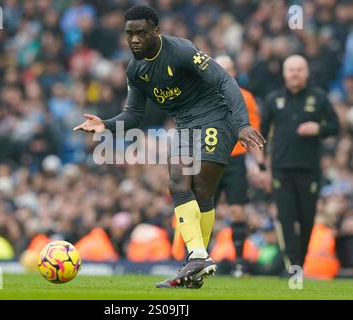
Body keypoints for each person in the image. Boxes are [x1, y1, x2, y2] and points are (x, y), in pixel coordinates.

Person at [73, 5, 265, 289]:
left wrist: (242, 124)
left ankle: (196, 260)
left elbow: (225, 80)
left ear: (156, 31)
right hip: (186, 124)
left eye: (140, 33)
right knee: (177, 181)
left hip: (217, 117)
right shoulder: (135, 69)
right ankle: (197, 259)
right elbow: (134, 114)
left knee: (201, 185)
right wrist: (106, 124)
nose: (134, 39)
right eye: (129, 34)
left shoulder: (182, 51)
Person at [261, 55, 340, 275]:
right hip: (281, 169)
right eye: (291, 70)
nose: (295, 73)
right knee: (286, 218)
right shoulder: (273, 99)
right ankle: (293, 265)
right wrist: (262, 166)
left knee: (306, 219)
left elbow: (334, 126)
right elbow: (262, 134)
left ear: (306, 72)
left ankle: (300, 263)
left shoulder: (319, 97)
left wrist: (319, 128)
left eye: (299, 69)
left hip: (309, 169)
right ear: (285, 73)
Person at [212, 55, 267, 278]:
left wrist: (261, 165)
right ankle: (195, 259)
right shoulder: (202, 96)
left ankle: (239, 262)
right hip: (210, 159)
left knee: (238, 210)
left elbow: (253, 132)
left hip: (235, 159)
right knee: (204, 211)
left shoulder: (246, 98)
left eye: (228, 69)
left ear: (234, 71)